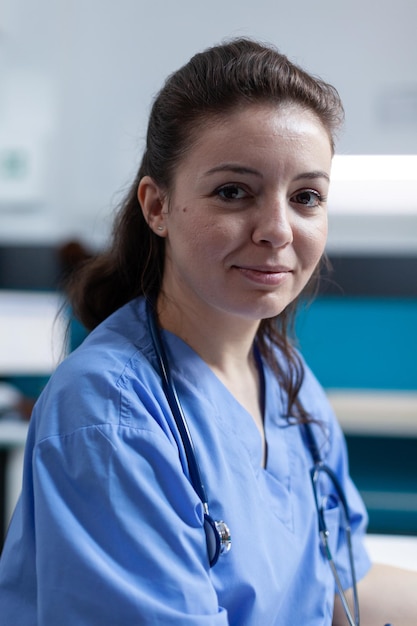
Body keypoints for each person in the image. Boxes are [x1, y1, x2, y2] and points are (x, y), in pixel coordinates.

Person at [0, 38, 415, 626]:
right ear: (157, 206)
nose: (278, 229)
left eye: (305, 197)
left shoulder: (287, 381)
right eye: (233, 191)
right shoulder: (109, 415)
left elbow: (340, 589)